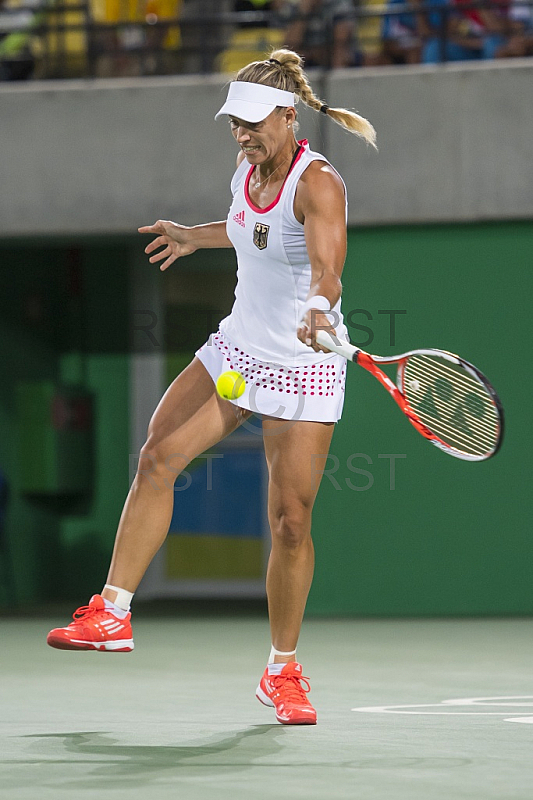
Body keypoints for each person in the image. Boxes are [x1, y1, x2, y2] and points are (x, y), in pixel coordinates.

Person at [46, 47, 376, 726]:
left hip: (304, 364)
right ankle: (111, 612)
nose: (243, 134)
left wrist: (318, 309)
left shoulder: (320, 184)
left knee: (289, 523)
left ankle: (281, 672)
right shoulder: (245, 170)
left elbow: (326, 264)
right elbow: (247, 228)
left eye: (254, 123)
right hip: (238, 346)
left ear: (288, 117)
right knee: (158, 457)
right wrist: (196, 238)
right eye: (234, 123)